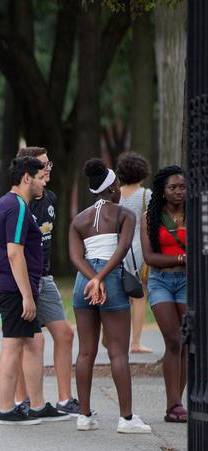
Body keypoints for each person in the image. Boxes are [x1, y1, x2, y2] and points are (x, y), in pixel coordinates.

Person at [69, 158, 151, 434]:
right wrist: (101, 278)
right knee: (117, 352)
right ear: (114, 187)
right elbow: (122, 248)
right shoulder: (123, 214)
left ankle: (84, 415)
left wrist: (91, 278)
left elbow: (74, 256)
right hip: (110, 278)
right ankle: (126, 419)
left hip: (84, 282)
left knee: (85, 352)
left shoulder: (79, 219)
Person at [0, 156, 69, 425]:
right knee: (13, 344)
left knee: (35, 341)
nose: (43, 181)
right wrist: (27, 296)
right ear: (26, 177)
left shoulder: (5, 203)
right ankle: (7, 409)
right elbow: (14, 253)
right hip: (12, 288)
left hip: (9, 285)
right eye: (39, 176)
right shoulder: (18, 207)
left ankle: (36, 406)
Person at [12, 147, 79, 416]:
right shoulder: (19, 202)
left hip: (45, 276)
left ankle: (65, 400)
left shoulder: (50, 198)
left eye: (49, 163)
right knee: (22, 340)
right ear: (27, 173)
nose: (47, 169)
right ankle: (22, 400)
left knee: (65, 333)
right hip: (23, 279)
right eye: (42, 165)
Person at [141, 165, 187, 422]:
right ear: (163, 190)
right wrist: (181, 257)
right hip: (161, 282)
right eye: (173, 188)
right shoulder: (151, 216)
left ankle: (176, 403)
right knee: (173, 339)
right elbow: (150, 257)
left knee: (187, 342)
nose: (178, 192)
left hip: (187, 282)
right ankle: (174, 403)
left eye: (182, 187)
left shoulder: (195, 214)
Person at [116, 153, 152, 353]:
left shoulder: (114, 194)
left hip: (116, 246)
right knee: (139, 294)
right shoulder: (147, 195)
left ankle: (110, 336)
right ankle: (135, 342)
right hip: (139, 246)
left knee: (115, 292)